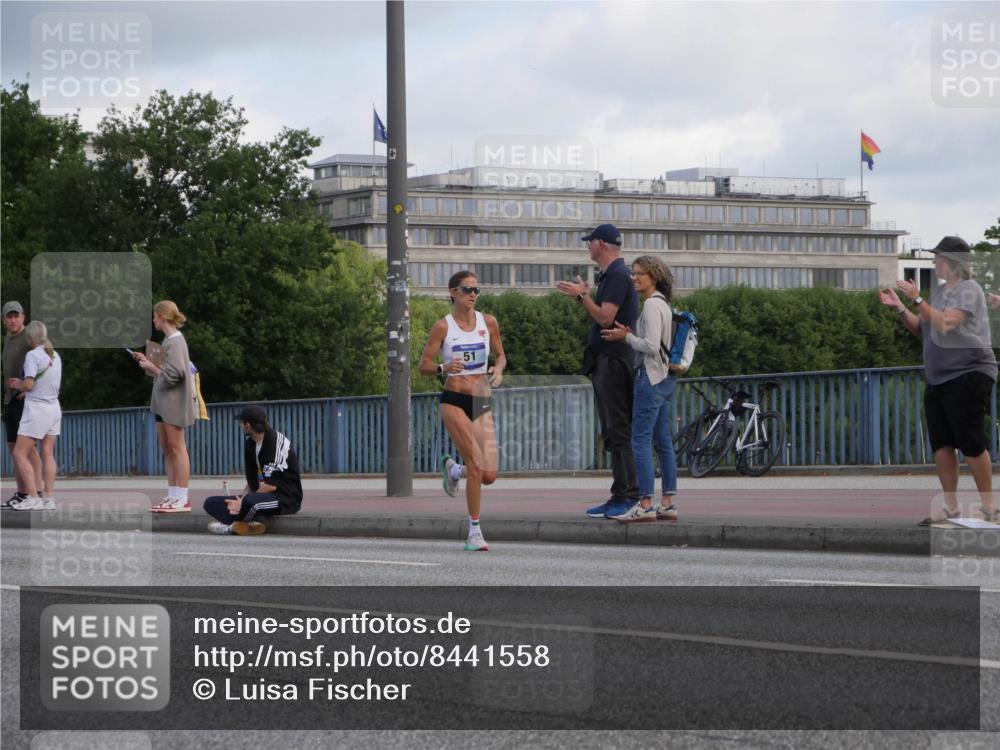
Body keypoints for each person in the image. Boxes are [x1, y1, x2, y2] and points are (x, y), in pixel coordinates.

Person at [879, 236, 998, 525]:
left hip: (969, 373)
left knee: (971, 442)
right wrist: (901, 309)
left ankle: (990, 508)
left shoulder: (969, 290)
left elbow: (945, 323)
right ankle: (951, 508)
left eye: (937, 258)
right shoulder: (941, 291)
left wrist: (916, 298)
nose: (934, 262)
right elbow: (923, 327)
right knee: (942, 445)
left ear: (951, 262)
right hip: (939, 377)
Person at [419, 270, 506, 551]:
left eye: (476, 290)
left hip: (480, 400)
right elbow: (424, 365)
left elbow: (501, 354)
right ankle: (474, 532)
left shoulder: (488, 322)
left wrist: (499, 369)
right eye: (467, 289)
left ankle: (455, 470)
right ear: (452, 292)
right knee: (478, 465)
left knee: (489, 474)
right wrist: (444, 368)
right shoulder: (443, 327)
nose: (472, 295)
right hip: (454, 399)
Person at [557, 223, 640, 519]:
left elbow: (605, 318)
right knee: (615, 429)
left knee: (618, 429)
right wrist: (588, 294)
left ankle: (626, 496)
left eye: (590, 242)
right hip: (612, 362)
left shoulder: (617, 275)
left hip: (615, 363)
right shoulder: (614, 275)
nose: (587, 246)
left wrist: (582, 297)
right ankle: (622, 493)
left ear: (601, 245)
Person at [601, 256, 680, 523]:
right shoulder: (664, 304)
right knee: (663, 442)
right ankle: (667, 503)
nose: (634, 278)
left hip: (651, 378)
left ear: (653, 277)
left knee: (640, 440)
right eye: (633, 273)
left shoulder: (650, 306)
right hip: (667, 379)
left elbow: (649, 345)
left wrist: (627, 337)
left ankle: (645, 503)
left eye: (639, 274)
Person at [131, 300, 196, 513]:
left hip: (174, 403)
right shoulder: (168, 341)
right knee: (167, 448)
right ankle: (173, 494)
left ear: (161, 317)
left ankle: (182, 497)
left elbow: (175, 373)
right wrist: (146, 360)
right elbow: (163, 368)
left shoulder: (176, 341)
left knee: (177, 448)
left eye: (154, 316)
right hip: (162, 403)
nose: (153, 320)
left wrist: (151, 366)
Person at [202, 405, 303, 535]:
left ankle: (231, 526)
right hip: (260, 495)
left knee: (250, 502)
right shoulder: (250, 444)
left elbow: (270, 486)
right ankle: (244, 524)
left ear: (248, 426)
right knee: (211, 502)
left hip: (284, 499)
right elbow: (252, 481)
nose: (240, 425)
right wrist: (240, 500)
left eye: (241, 423)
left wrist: (243, 502)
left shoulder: (276, 443)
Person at [7, 321, 62, 510]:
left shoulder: (32, 355)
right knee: (48, 452)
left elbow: (29, 385)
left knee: (19, 453)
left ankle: (33, 497)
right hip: (54, 407)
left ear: (29, 338)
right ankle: (49, 498)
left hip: (37, 410)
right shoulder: (55, 355)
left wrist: (18, 385)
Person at [2, 301, 42, 508]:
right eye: (9, 317)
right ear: (3, 320)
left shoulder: (29, 338)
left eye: (16, 316)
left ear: (23, 317)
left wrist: (31, 389)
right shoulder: (8, 339)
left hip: (24, 400)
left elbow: (47, 359)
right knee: (12, 448)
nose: (13, 320)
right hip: (10, 400)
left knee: (27, 449)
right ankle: (21, 493)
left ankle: (36, 491)